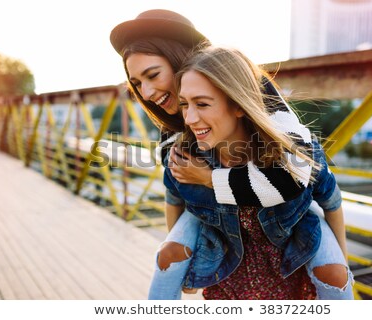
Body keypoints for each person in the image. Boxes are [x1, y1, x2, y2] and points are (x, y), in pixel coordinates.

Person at [109, 9, 352, 299]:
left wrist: (211, 178)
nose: (146, 93)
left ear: (180, 59)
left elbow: (298, 174)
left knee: (332, 274)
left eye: (153, 75)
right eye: (136, 83)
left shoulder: (257, 94)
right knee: (169, 257)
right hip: (223, 229)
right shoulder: (176, 129)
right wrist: (188, 258)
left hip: (279, 220)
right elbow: (176, 188)